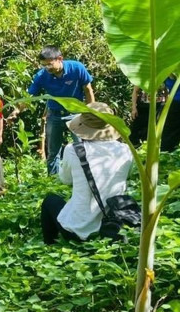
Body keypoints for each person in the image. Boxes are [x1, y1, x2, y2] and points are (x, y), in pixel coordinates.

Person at [40, 103, 134, 244]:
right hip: (114, 227)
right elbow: (126, 175)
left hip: (78, 230)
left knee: (50, 200)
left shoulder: (73, 150)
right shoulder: (126, 149)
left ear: (82, 127)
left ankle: (49, 243)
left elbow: (65, 180)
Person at [10, 46, 95, 175]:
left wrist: (91, 112)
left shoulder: (76, 68)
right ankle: (53, 180)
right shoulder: (42, 76)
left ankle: (87, 176)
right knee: (53, 152)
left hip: (76, 114)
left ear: (59, 59)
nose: (47, 68)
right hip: (54, 115)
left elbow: (88, 90)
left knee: (82, 148)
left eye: (49, 65)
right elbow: (30, 97)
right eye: (44, 65)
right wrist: (17, 110)